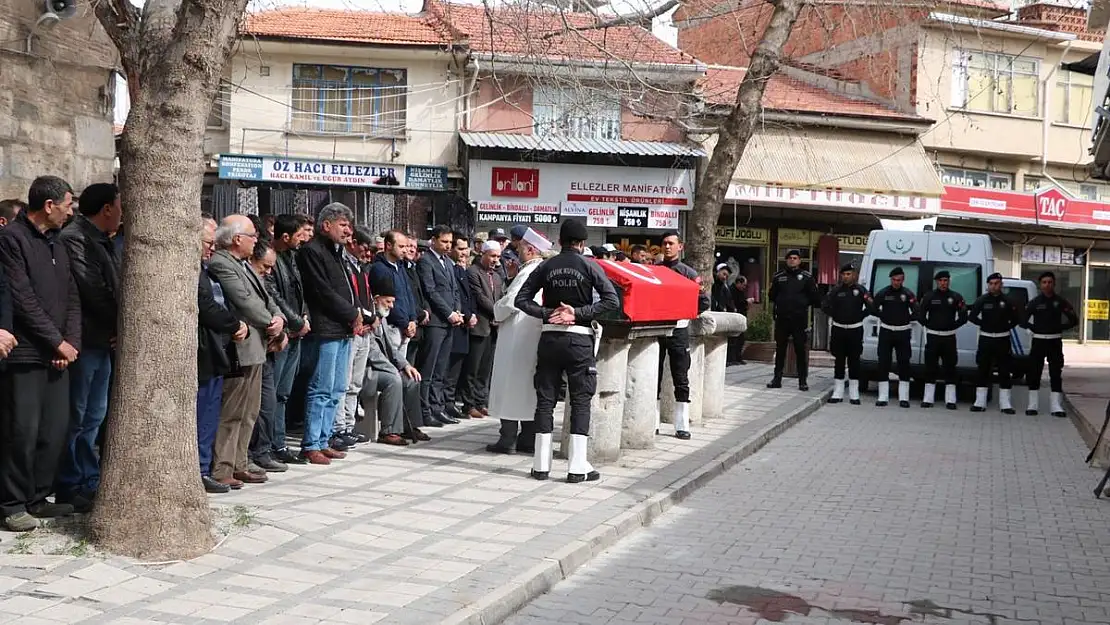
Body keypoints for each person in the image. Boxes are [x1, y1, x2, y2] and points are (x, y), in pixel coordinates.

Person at [0, 175, 81, 531]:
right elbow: (22, 299)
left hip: (58, 353)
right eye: (67, 205)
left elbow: (73, 297)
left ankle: (38, 496)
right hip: (26, 354)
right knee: (22, 431)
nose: (71, 212)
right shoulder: (11, 240)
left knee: (54, 430)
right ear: (49, 205)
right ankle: (11, 503)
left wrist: (70, 342)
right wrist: (55, 340)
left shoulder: (57, 244)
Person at [515, 220, 619, 482]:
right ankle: (576, 466)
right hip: (579, 340)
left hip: (549, 339)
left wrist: (549, 313)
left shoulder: (546, 265)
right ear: (583, 244)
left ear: (560, 241)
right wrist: (578, 313)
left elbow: (521, 300)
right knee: (581, 401)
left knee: (545, 401)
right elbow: (611, 300)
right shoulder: (589, 265)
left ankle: (540, 465)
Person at [54, 182, 122, 510]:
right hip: (84, 340)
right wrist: (119, 322)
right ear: (107, 208)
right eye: (119, 206)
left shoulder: (103, 241)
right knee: (77, 415)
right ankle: (70, 481)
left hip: (102, 340)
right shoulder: (76, 238)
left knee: (94, 414)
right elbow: (92, 288)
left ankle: (88, 477)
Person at [207, 217, 286, 487]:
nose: (257, 240)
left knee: (250, 411)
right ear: (237, 238)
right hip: (240, 347)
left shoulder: (244, 264)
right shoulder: (221, 262)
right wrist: (269, 322)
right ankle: (223, 466)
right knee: (233, 411)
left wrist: (279, 318)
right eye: (252, 235)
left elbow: (265, 297)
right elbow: (244, 301)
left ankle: (240, 461)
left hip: (257, 347)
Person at [296, 203, 360, 464]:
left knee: (336, 388)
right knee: (321, 388)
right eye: (343, 225)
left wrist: (357, 314)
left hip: (342, 329)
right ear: (326, 225)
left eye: (349, 225)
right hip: (325, 330)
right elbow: (322, 292)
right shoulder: (312, 251)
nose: (348, 231)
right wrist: (351, 313)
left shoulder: (338, 252)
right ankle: (311, 443)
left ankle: (325, 439)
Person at [486, 229, 551, 454]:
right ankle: (527, 438)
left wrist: (496, 310)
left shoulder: (530, 272)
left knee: (511, 388)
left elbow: (511, 302)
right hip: (529, 337)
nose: (517, 252)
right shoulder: (537, 270)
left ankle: (508, 439)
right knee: (527, 391)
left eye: (521, 248)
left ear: (531, 250)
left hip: (517, 338)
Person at [196, 216, 248, 493]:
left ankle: (204, 467)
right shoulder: (193, 272)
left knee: (211, 413)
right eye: (207, 242)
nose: (212, 248)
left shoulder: (208, 270)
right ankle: (200, 469)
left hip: (219, 349)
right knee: (202, 413)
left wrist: (236, 324)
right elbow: (205, 305)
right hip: (204, 349)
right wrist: (234, 323)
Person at [266, 214, 311, 465]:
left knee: (284, 392)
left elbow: (300, 292)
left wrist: (304, 318)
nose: (303, 239)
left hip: (297, 332)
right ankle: (272, 443)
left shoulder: (293, 258)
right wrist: (295, 321)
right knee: (274, 392)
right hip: (284, 332)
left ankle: (279, 443)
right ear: (285, 237)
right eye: (298, 235)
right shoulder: (273, 260)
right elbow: (275, 297)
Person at [658, 231, 711, 439]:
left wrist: (687, 313)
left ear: (681, 246)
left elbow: (703, 301)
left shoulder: (689, 273)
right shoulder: (655, 270)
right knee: (654, 376)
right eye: (664, 243)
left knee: (681, 376)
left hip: (680, 329)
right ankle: (652, 421)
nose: (667, 247)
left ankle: (681, 424)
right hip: (657, 329)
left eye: (671, 243)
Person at [361, 274, 424, 445]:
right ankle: (389, 431)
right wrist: (391, 368)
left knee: (412, 378)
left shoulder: (382, 319)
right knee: (393, 380)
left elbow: (390, 348)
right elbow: (372, 352)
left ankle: (410, 426)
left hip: (383, 366)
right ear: (376, 299)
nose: (391, 306)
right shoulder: (370, 318)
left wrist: (405, 365)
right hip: (367, 369)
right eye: (388, 302)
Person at [416, 225, 464, 428]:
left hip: (449, 322)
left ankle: (437, 407)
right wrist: (448, 312)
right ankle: (424, 410)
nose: (447, 246)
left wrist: (458, 311)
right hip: (436, 321)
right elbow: (431, 291)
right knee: (429, 367)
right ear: (433, 240)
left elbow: (454, 290)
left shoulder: (449, 263)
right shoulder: (426, 261)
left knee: (441, 369)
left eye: (450, 243)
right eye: (444, 242)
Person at [336, 227, 376, 447]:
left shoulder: (361, 267)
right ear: (352, 243)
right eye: (363, 246)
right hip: (353, 329)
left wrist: (373, 316)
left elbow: (367, 295)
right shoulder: (344, 264)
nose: (366, 252)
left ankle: (349, 426)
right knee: (343, 382)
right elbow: (352, 299)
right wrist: (365, 316)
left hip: (366, 331)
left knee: (355, 384)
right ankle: (339, 427)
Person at [1022, 271, 1079, 417]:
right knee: (1034, 373)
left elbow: (1073, 319)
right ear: (1040, 285)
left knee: (1055, 373)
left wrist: (1060, 328)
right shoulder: (1034, 302)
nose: (1047, 285)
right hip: (1039, 340)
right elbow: (1022, 320)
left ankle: (1056, 406)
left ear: (1054, 284)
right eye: (1044, 282)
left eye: (1050, 282)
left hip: (1054, 341)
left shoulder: (1060, 301)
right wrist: (1034, 328)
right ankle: (1032, 405)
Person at [967, 273, 1021, 414]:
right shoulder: (982, 300)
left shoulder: (1008, 301)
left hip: (1002, 339)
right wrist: (984, 324)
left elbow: (1017, 318)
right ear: (988, 285)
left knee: (1004, 371)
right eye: (991, 283)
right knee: (983, 370)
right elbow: (972, 316)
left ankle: (1005, 404)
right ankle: (979, 402)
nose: (994, 286)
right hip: (986, 338)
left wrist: (1006, 326)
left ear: (1001, 285)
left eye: (996, 283)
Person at [463, 240, 505, 420]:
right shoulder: (473, 272)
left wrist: (501, 314)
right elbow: (479, 296)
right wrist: (497, 312)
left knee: (485, 369)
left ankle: (480, 402)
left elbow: (501, 296)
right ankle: (468, 403)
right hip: (480, 325)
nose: (496, 260)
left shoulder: (496, 275)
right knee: (473, 367)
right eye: (492, 256)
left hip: (493, 327)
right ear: (483, 254)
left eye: (498, 256)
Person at [767, 249, 820, 391]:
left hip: (799, 319)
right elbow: (771, 295)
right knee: (780, 349)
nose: (792, 260)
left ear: (799, 261)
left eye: (795, 258)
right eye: (790, 258)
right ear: (786, 260)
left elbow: (815, 297)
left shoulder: (807, 277)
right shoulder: (779, 277)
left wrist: (801, 304)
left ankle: (802, 381)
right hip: (782, 319)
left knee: (800, 350)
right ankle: (777, 379)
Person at [821, 264, 871, 405]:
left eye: (849, 274)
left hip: (855, 329)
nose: (846, 277)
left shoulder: (860, 290)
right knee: (839, 360)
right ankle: (838, 391)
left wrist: (861, 316)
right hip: (839, 329)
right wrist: (835, 315)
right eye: (844, 274)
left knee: (854, 361)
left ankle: (854, 393)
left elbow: (871, 306)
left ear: (854, 275)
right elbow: (824, 305)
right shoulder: (836, 291)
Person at [917, 270, 967, 410]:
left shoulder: (955, 297)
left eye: (946, 280)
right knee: (930, 367)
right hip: (933, 336)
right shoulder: (929, 296)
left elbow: (963, 316)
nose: (943, 283)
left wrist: (953, 325)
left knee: (950, 368)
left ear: (949, 281)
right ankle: (928, 399)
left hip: (949, 337)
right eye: (941, 281)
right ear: (936, 282)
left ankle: (950, 400)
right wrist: (929, 325)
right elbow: (920, 315)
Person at [443, 233, 477, 421]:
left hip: (464, 325)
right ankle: (445, 402)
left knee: (457, 368)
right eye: (460, 249)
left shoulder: (460, 270)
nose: (464, 253)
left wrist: (471, 314)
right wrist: (466, 314)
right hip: (455, 323)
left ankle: (449, 402)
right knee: (448, 368)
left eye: (466, 249)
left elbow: (467, 296)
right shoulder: (451, 269)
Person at [872, 266, 917, 407]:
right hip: (886, 331)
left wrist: (907, 318)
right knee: (883, 362)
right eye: (894, 280)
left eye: (899, 280)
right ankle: (883, 397)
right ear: (891, 279)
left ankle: (904, 398)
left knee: (904, 363)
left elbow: (917, 310)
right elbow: (873, 308)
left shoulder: (908, 294)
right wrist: (883, 316)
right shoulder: (884, 293)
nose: (896, 282)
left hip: (903, 331)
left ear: (903, 280)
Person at [370, 230, 417, 355]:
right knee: (392, 366)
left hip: (406, 326)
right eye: (401, 246)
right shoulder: (379, 268)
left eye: (406, 246)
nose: (405, 250)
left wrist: (413, 319)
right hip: (392, 327)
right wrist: (405, 323)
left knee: (402, 368)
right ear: (389, 246)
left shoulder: (400, 267)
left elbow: (408, 294)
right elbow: (385, 301)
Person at [728, 275, 754, 365]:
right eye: (743, 285)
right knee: (734, 339)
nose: (744, 287)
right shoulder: (732, 290)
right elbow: (737, 303)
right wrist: (747, 302)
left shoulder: (740, 291)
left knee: (740, 339)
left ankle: (738, 357)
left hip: (741, 316)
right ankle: (732, 359)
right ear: (738, 283)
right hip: (735, 317)